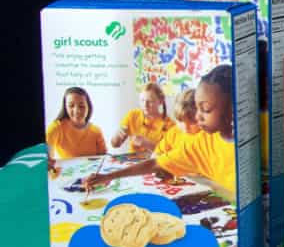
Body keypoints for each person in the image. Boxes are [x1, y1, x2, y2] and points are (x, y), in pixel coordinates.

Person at [87, 65, 239, 198]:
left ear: (231, 109)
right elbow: (155, 163)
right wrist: (108, 176)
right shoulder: (201, 144)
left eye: (205, 109)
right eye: (198, 109)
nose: (198, 117)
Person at [45, 86, 107, 160]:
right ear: (65, 107)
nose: (77, 111)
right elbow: (45, 159)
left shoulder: (96, 131)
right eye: (71, 106)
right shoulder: (56, 128)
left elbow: (104, 159)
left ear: (88, 107)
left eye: (81, 106)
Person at [109, 83, 173, 154]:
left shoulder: (169, 124)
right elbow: (115, 145)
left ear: (160, 101)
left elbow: (171, 154)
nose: (145, 105)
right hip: (133, 159)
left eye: (150, 101)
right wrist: (117, 137)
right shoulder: (132, 115)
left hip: (156, 160)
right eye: (142, 100)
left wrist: (149, 144)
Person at [155, 89, 200, 157]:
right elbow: (156, 154)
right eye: (180, 121)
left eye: (192, 123)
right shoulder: (174, 132)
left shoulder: (205, 137)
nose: (186, 128)